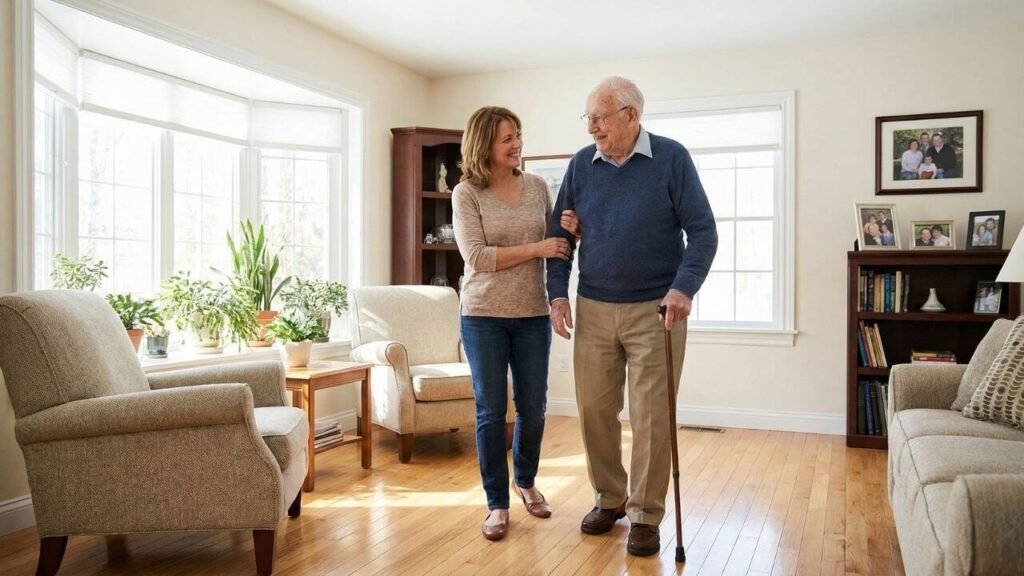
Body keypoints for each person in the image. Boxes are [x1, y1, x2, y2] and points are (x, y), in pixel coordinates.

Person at [546, 77, 718, 557]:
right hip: (595, 306)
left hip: (655, 311)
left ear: (631, 116)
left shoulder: (671, 158)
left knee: (650, 416)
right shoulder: (582, 165)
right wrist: (557, 296)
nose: (592, 127)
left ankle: (645, 513)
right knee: (594, 411)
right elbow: (559, 238)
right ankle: (609, 498)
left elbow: (703, 232)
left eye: (600, 117)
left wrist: (683, 288)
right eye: (588, 118)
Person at [452, 106, 569, 541]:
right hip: (482, 315)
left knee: (534, 408)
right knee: (490, 410)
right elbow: (476, 257)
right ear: (484, 144)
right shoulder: (466, 192)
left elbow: (559, 241)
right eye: (506, 138)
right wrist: (538, 247)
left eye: (518, 135)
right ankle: (496, 504)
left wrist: (568, 231)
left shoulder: (538, 187)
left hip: (532, 313)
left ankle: (526, 481)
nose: (516, 143)